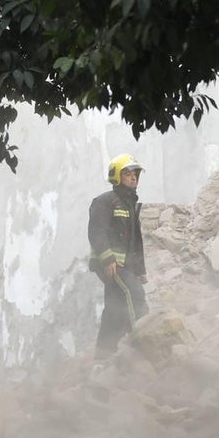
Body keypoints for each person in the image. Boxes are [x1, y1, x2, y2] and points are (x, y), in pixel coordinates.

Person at [88, 153, 149, 361]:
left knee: (114, 307)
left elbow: (135, 242)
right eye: (127, 174)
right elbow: (96, 232)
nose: (133, 178)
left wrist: (139, 270)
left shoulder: (129, 204)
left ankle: (103, 355)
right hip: (111, 264)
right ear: (116, 176)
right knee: (135, 293)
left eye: (135, 174)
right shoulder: (105, 201)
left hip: (125, 265)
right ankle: (144, 342)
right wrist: (108, 259)